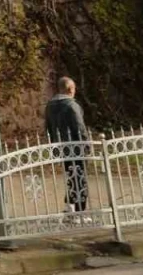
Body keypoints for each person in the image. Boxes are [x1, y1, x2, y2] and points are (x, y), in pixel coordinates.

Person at [45, 76, 89, 213]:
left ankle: (69, 206)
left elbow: (48, 127)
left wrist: (54, 146)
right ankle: (79, 211)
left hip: (61, 147)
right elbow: (80, 127)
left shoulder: (49, 106)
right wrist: (86, 145)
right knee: (80, 178)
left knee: (70, 176)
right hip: (75, 147)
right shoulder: (72, 105)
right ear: (70, 89)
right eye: (74, 88)